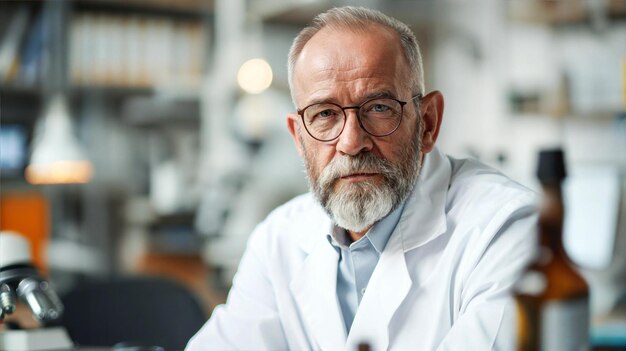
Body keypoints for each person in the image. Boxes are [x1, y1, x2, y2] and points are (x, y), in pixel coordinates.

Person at [186, 6, 537, 351]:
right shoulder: (277, 240)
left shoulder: (505, 228)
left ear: (427, 123)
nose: (352, 142)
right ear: (299, 138)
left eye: (379, 108)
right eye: (325, 114)